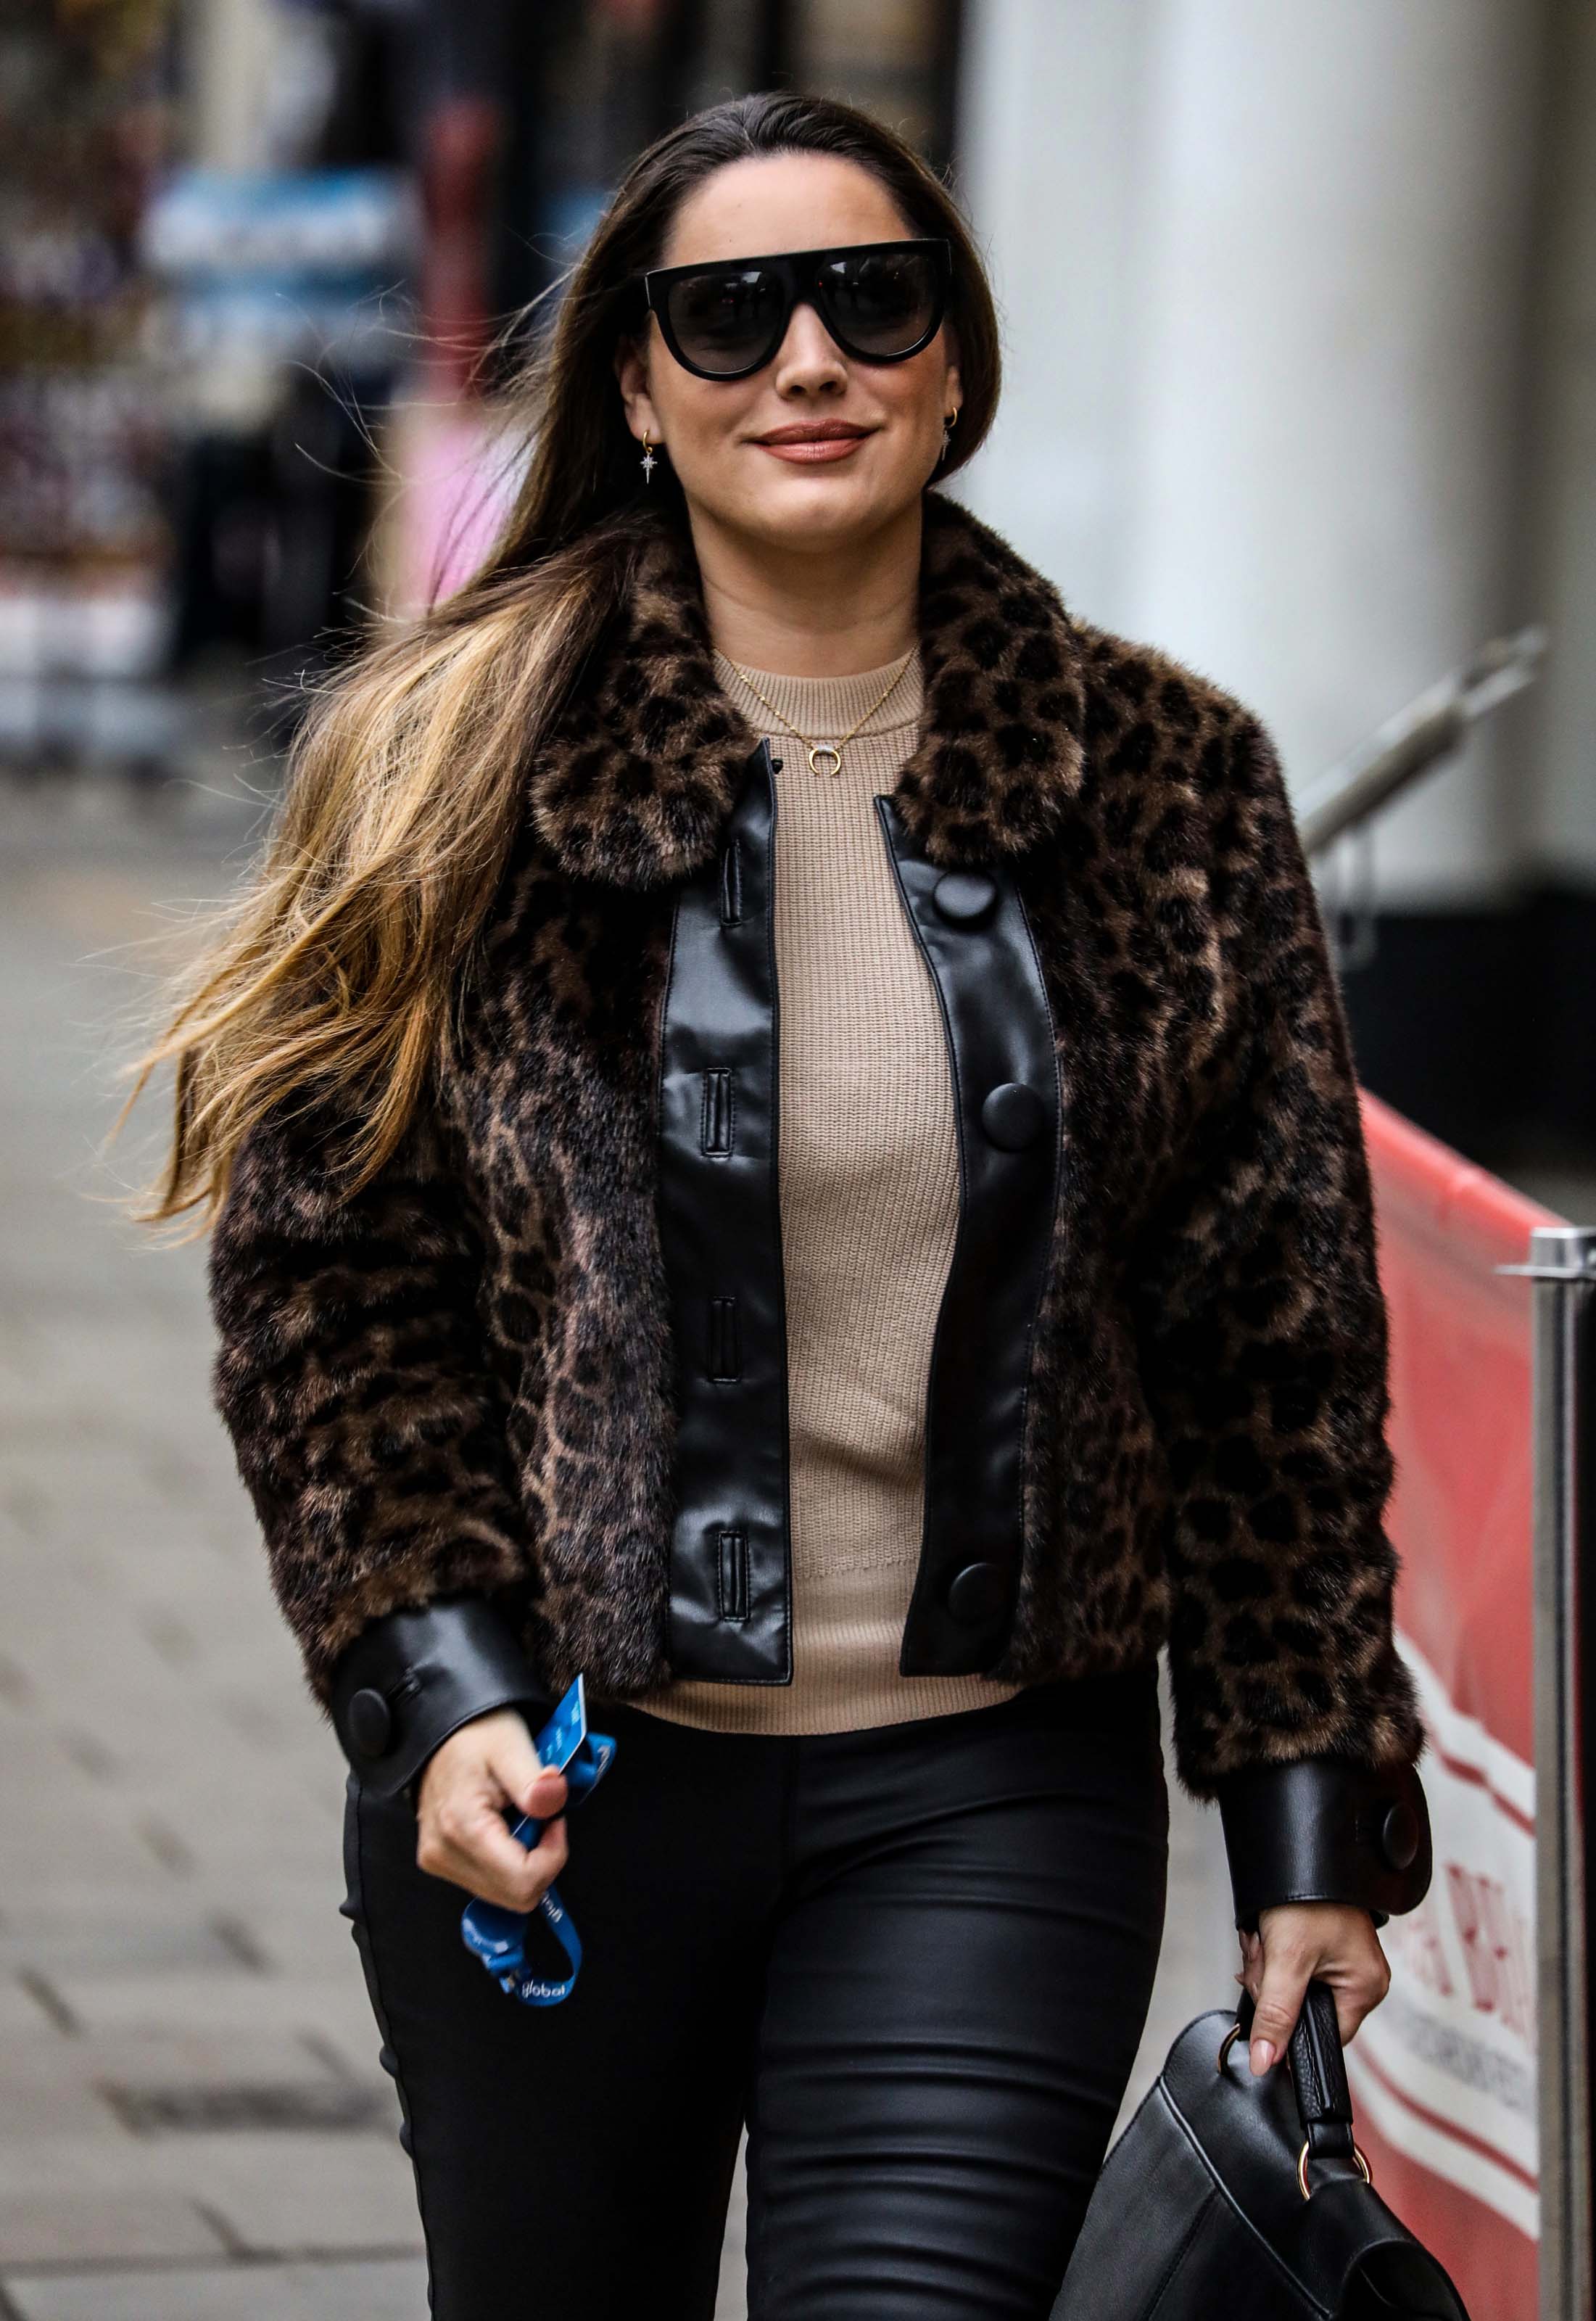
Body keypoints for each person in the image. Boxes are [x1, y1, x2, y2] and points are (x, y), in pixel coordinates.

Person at [129, 88, 1432, 2321]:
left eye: (871, 299)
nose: (805, 360)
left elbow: (1274, 1347)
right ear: (637, 386)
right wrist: (433, 1691)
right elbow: (329, 1295)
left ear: (953, 364)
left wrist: (1310, 1821)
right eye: (726, 317)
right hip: (559, 1792)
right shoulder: (449, 767)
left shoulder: (1171, 784)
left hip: (989, 1800)